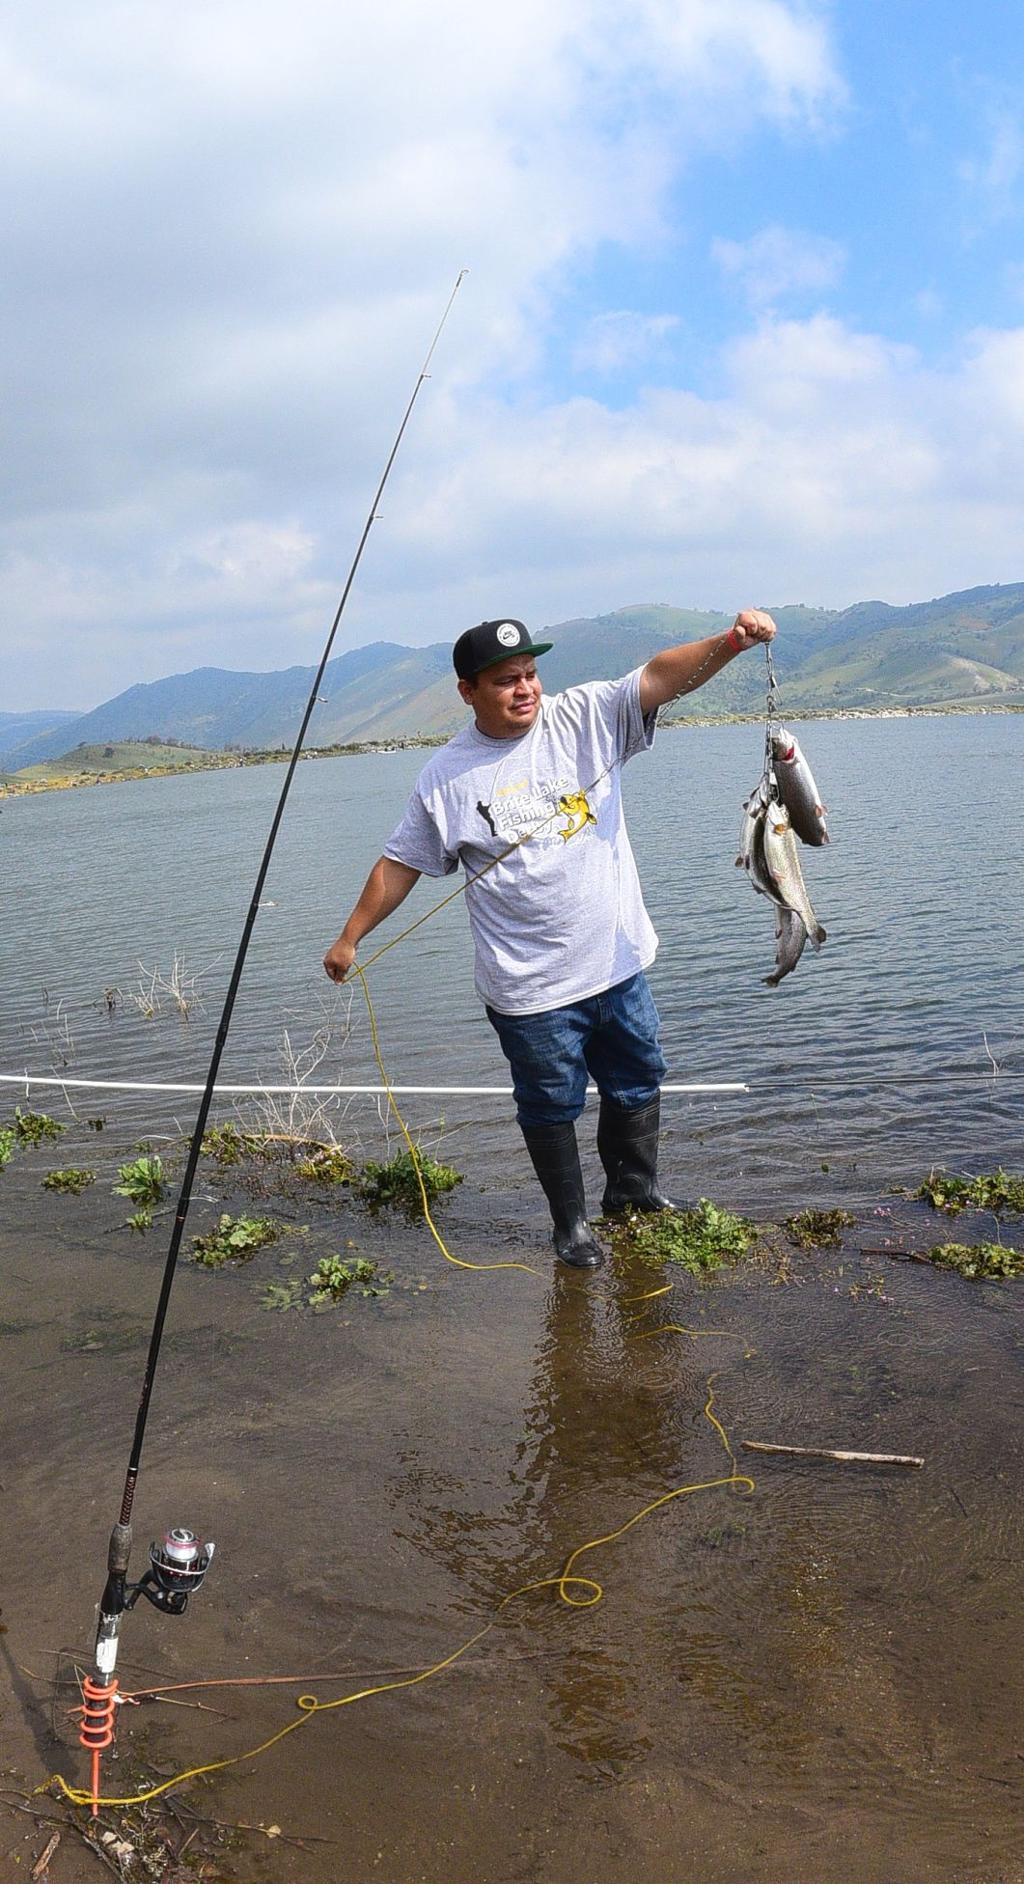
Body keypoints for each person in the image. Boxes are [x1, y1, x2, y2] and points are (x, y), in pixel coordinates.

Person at [323, 609, 777, 1270]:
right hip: (528, 989)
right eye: (506, 679)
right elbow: (400, 866)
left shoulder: (585, 716)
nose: (526, 688)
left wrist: (730, 643)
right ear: (468, 691)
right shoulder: (445, 778)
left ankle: (634, 1192)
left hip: (618, 963)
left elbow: (660, 678)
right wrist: (348, 939)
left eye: (531, 673)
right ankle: (571, 1225)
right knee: (549, 1103)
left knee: (639, 1077)